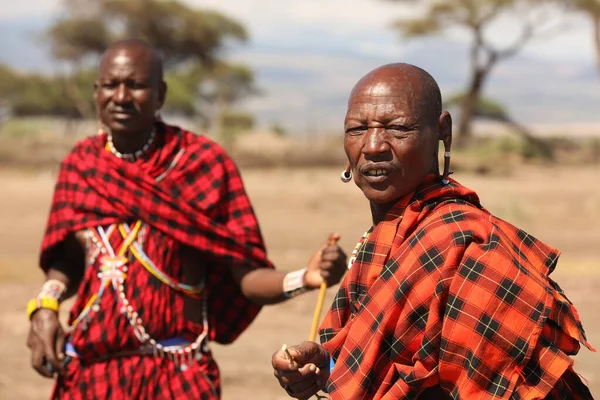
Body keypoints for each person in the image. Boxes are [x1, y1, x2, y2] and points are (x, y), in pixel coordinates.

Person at [26, 39, 347, 399]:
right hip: (87, 374)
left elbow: (246, 274)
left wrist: (306, 277)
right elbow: (67, 263)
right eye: (110, 85)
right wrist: (45, 304)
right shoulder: (80, 166)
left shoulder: (201, 164)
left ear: (160, 94)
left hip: (176, 376)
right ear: (96, 91)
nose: (121, 96)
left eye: (136, 85)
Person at [272, 63, 595, 399]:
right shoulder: (384, 240)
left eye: (397, 128)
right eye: (356, 129)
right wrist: (324, 369)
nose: (372, 146)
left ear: (443, 132)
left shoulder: (471, 246)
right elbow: (385, 364)